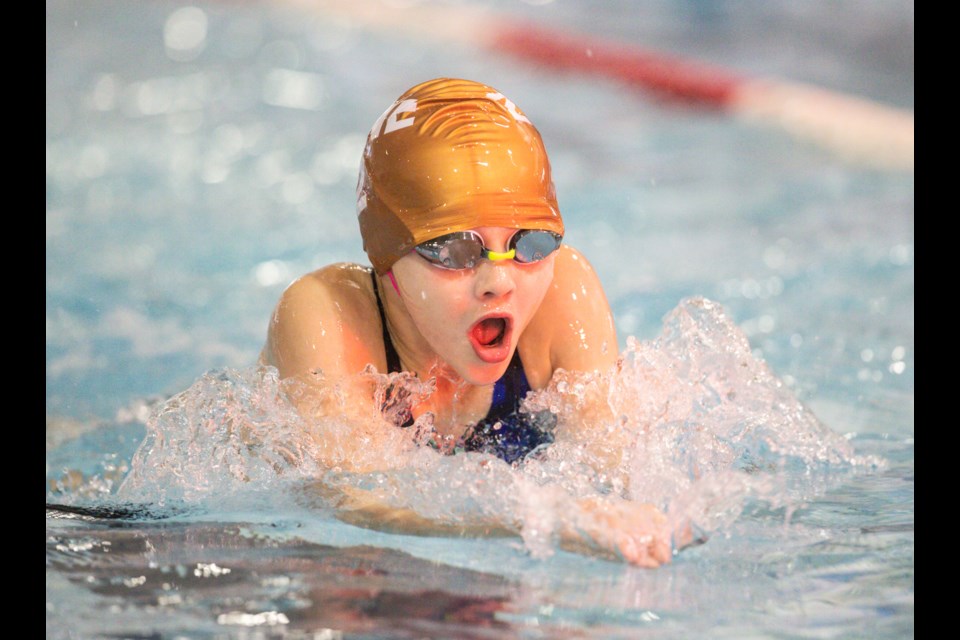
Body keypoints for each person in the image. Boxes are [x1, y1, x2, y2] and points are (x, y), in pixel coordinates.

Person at [260, 77, 689, 567]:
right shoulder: (325, 313)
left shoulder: (562, 290)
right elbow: (352, 502)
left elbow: (614, 466)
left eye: (530, 241)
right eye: (456, 249)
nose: (499, 282)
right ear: (388, 256)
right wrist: (543, 516)